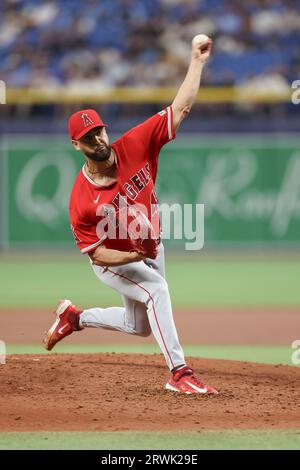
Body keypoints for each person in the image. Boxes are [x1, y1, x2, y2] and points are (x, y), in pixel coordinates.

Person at [43, 35, 218, 395]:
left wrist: (196, 62)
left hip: (148, 244)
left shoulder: (136, 143)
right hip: (114, 259)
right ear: (77, 145)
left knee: (138, 325)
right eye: (88, 137)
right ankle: (179, 374)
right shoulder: (81, 199)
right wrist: (136, 255)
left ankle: (75, 317)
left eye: (99, 131)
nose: (98, 140)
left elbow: (179, 108)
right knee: (156, 289)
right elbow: (96, 253)